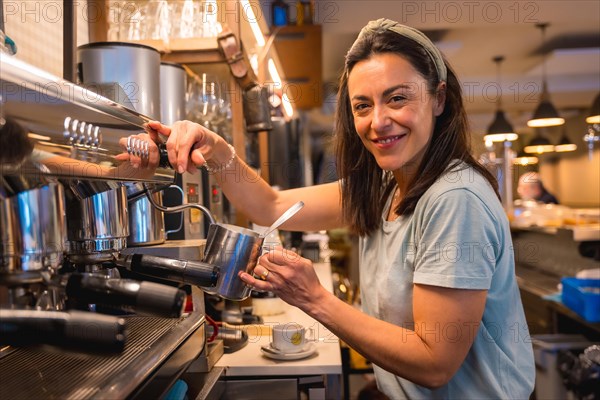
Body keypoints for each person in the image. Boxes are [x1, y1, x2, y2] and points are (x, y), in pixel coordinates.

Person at [128, 18, 535, 399]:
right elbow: (270, 205)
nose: (378, 122)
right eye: (362, 106)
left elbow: (434, 363)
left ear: (439, 98)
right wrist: (215, 148)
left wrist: (315, 299)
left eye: (397, 98)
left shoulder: (454, 198)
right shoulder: (385, 185)